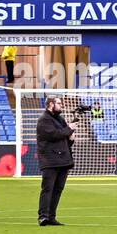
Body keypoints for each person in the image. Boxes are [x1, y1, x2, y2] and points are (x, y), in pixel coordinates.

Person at [36, 96, 75, 226]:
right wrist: (69, 129)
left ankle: (51, 216)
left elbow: (66, 138)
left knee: (58, 189)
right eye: (59, 103)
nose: (61, 105)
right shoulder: (44, 120)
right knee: (48, 188)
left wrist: (71, 135)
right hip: (50, 160)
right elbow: (54, 135)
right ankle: (43, 216)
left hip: (63, 159)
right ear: (51, 104)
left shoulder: (60, 119)